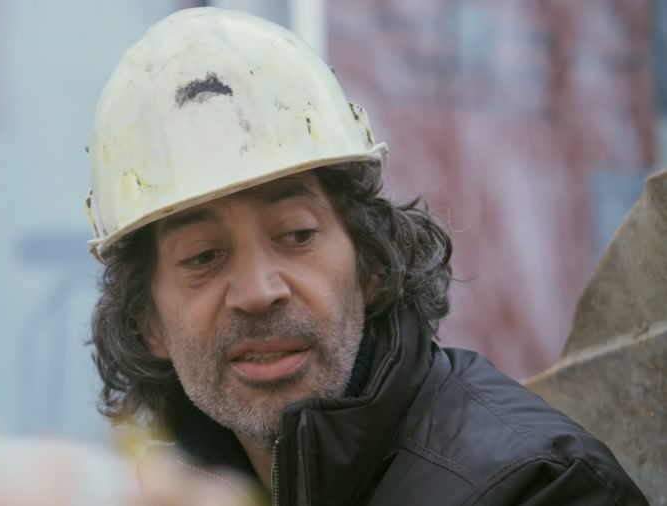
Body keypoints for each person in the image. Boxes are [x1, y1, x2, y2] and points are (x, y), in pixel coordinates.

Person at [83, 7, 647, 505]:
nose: (258, 291)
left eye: (296, 235)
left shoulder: (538, 487)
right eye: (204, 256)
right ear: (147, 323)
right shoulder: (163, 489)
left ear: (372, 265)